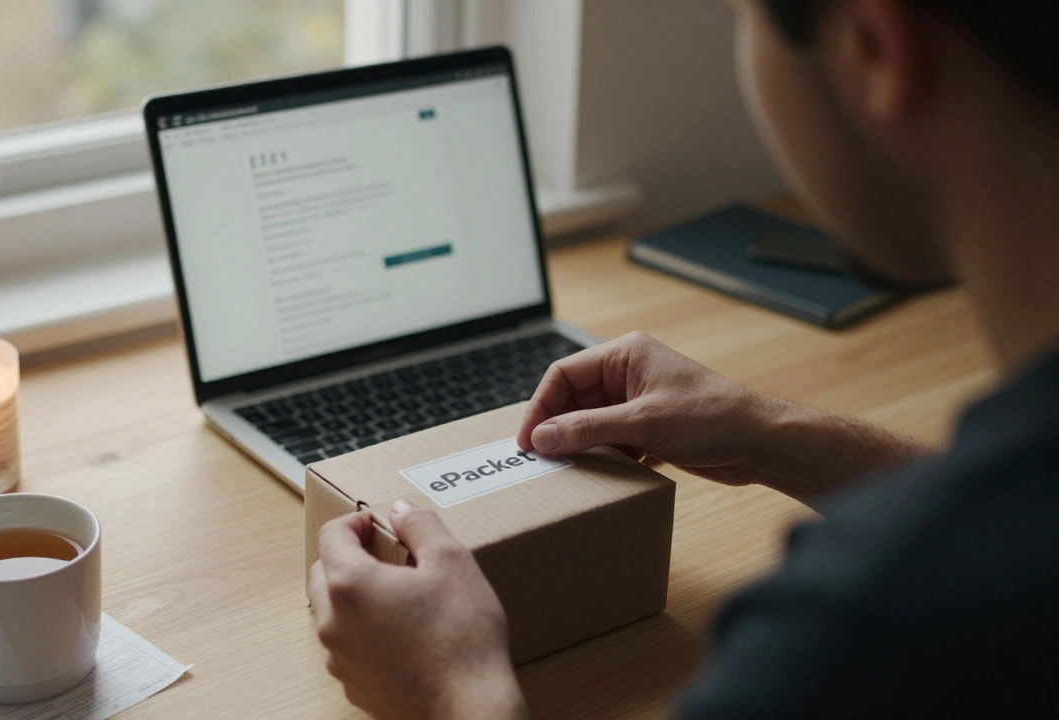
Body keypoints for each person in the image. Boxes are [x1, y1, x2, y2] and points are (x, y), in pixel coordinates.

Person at [306, 0, 1059, 716]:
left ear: (876, 46)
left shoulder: (847, 644)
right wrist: (769, 429)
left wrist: (451, 690)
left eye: (740, 21)